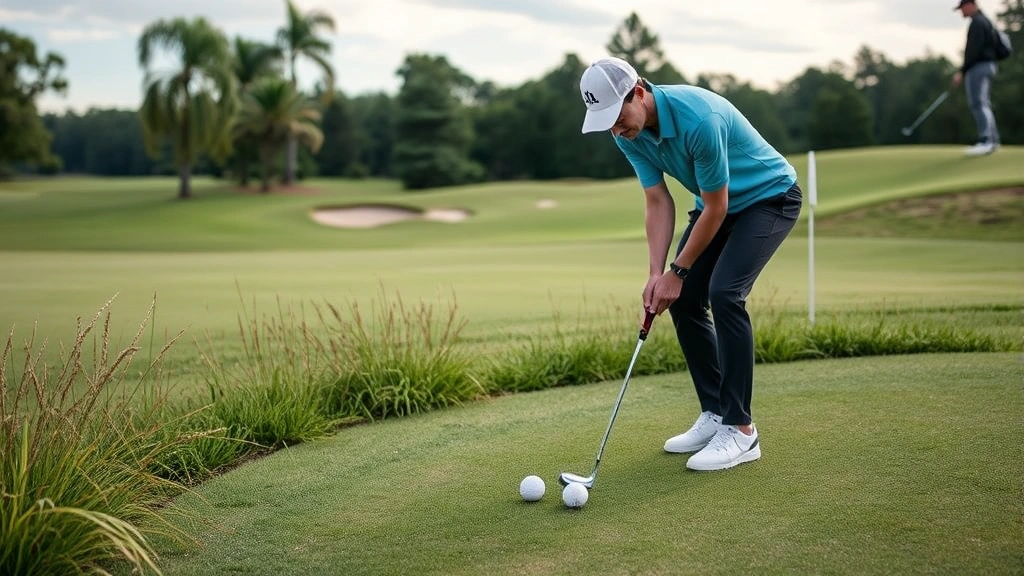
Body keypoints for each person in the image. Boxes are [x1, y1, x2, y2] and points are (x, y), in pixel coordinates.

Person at [578, 57, 802, 471]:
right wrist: (655, 274)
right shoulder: (628, 133)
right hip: (718, 206)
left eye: (616, 115)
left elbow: (717, 207)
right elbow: (657, 200)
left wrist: (677, 272)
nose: (614, 128)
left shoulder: (700, 118)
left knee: (724, 292)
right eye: (605, 120)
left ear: (639, 93)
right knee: (682, 299)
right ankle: (716, 411)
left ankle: (741, 429)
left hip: (769, 198)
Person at [952, 0, 1000, 156]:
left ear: (970, 4)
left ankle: (986, 140)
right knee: (984, 103)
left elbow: (973, 51)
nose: (961, 12)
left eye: (962, 8)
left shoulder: (977, 23)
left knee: (978, 103)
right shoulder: (984, 20)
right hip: (988, 65)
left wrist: (962, 71)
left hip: (979, 67)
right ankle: (993, 140)